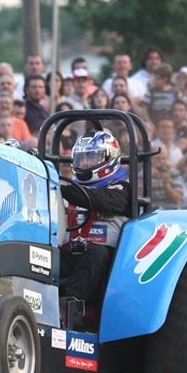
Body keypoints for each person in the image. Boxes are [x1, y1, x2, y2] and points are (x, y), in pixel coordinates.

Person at [59, 132, 131, 316]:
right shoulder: (67, 189)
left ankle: (70, 309)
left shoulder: (122, 189)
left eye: (92, 158)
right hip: (69, 253)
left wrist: (65, 191)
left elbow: (102, 199)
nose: (85, 164)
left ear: (110, 158)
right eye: (82, 158)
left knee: (98, 254)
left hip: (108, 261)